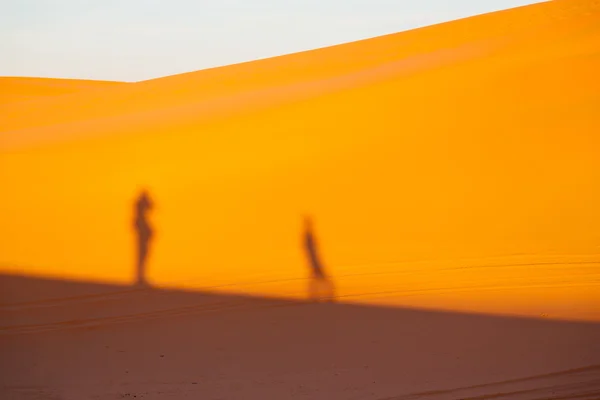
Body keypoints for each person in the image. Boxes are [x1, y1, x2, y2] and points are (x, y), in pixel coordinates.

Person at [303, 216, 335, 302]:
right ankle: (325, 296)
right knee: (322, 279)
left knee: (316, 279)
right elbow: (311, 249)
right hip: (315, 260)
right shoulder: (308, 235)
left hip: (314, 260)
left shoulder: (307, 234)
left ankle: (315, 296)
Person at [134, 190, 154, 286]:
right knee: (141, 255)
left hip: (143, 234)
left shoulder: (140, 219)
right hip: (142, 236)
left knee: (143, 256)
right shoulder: (140, 219)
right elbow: (151, 206)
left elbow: (152, 206)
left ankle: (141, 277)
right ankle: (140, 277)